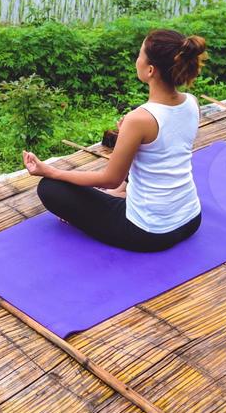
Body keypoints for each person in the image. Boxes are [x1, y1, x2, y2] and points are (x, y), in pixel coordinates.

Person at [22, 29, 207, 252]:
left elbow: (109, 179)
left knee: (50, 188)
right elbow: (166, 152)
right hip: (190, 219)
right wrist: (130, 137)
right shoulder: (192, 103)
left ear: (150, 70)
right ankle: (119, 198)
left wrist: (51, 171)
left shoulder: (139, 119)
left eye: (140, 54)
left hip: (150, 232)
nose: (136, 60)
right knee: (121, 185)